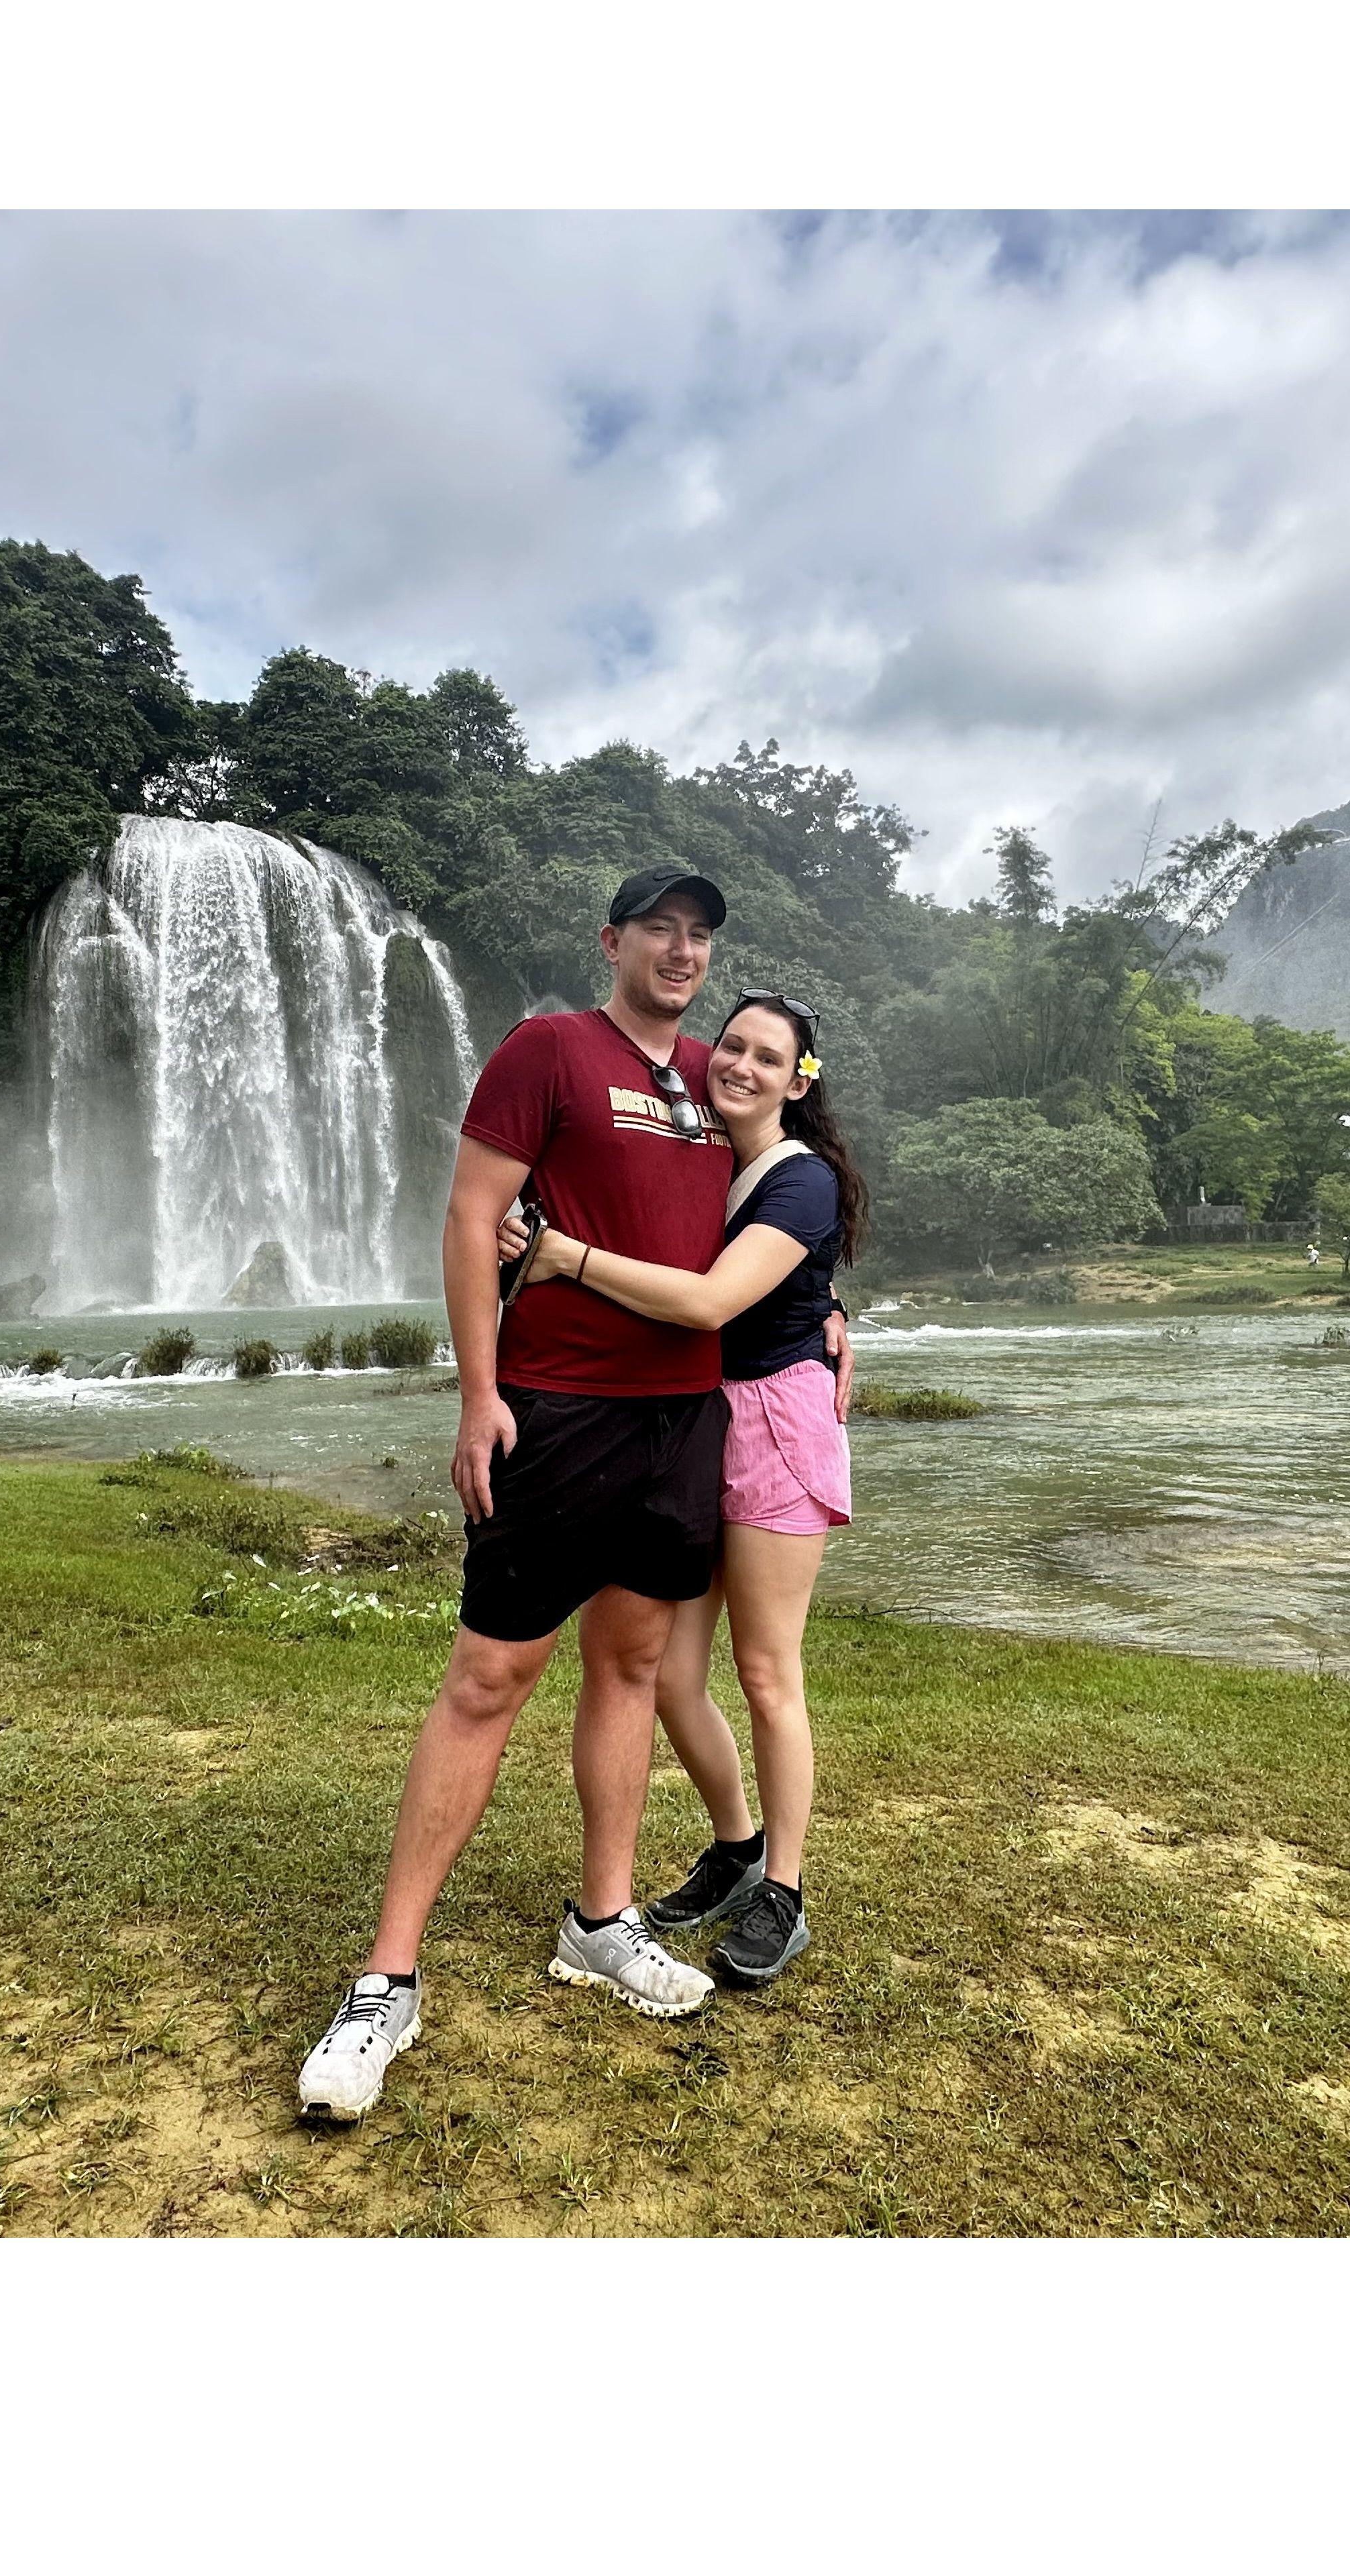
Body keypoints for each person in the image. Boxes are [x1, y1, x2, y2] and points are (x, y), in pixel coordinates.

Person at [295, 868, 850, 2121]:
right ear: (613, 941)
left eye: (701, 933)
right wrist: (476, 1394)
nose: (682, 948)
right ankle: (388, 1977)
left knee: (634, 1663)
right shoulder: (548, 1049)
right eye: (660, 927)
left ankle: (601, 1920)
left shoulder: (721, 1083)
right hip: (556, 1406)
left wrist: (832, 1319)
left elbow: (784, 1211)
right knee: (491, 1676)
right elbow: (471, 1214)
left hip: (686, 1423)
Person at [500, 991, 865, 1989]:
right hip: (701, 1415)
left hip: (778, 1424)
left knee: (766, 1670)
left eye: (767, 1057)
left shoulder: (801, 1182)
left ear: (800, 1082)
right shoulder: (706, 1150)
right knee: (666, 1673)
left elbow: (709, 1299)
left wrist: (562, 1257)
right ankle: (737, 1847)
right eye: (732, 1045)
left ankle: (782, 1892)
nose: (739, 1065)